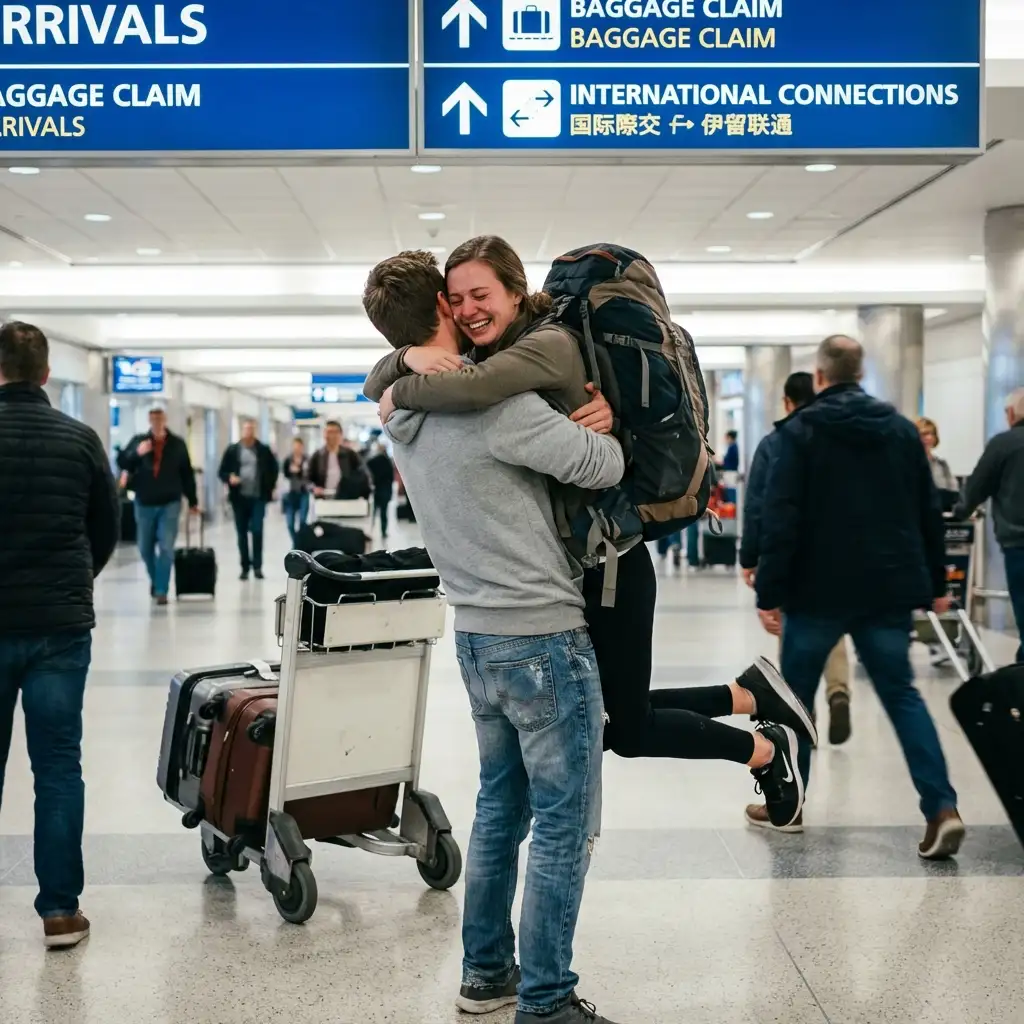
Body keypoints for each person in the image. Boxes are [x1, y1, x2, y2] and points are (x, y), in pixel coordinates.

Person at [366, 238, 813, 824]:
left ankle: (765, 749)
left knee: (623, 727)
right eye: (458, 298)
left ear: (517, 291)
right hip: (578, 562)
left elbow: (468, 391)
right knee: (608, 713)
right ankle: (750, 698)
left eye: (482, 294)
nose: (471, 309)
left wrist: (397, 382)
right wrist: (402, 360)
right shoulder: (500, 347)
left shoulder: (546, 344)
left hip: (613, 563)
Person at [364, 249, 624, 1024]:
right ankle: (546, 1001)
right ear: (444, 315)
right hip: (542, 637)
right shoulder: (497, 409)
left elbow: (389, 376)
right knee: (562, 823)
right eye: (458, 300)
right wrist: (603, 415)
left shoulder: (402, 418)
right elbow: (603, 466)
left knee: (500, 810)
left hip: (475, 638)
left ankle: (486, 974)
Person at [754, 335, 964, 859]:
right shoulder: (899, 431)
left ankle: (791, 806)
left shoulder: (799, 432)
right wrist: (938, 584)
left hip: (816, 590)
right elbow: (926, 513)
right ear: (861, 372)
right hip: (886, 590)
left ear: (820, 377)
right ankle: (942, 809)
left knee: (794, 700)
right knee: (903, 696)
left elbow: (781, 518)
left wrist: (769, 591)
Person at [0, 321, 119, 949]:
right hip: (59, 628)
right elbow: (106, 527)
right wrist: (72, 582)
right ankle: (60, 911)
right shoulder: (79, 439)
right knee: (56, 766)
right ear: (46, 373)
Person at [742, 371, 853, 747]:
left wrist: (750, 557)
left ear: (787, 402)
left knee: (792, 632)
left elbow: (757, 504)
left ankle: (801, 711)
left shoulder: (776, 442)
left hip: (789, 553)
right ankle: (839, 691)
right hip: (836, 552)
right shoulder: (838, 439)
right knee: (833, 626)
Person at [955, 387, 1024, 662]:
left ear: (1010, 414)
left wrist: (961, 511)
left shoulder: (1005, 444)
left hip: (1019, 545)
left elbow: (976, 488)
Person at [118, 407, 199, 605]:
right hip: (144, 501)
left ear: (165, 420)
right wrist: (137, 453)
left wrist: (193, 501)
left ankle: (161, 589)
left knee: (166, 546)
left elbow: (187, 474)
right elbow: (122, 462)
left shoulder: (177, 444)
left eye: (160, 419)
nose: (156, 423)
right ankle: (157, 580)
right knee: (145, 548)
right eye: (153, 419)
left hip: (170, 502)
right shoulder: (139, 441)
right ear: (149, 420)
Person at [218, 419, 279, 580]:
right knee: (242, 533)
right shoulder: (233, 450)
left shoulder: (263, 450)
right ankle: (245, 566)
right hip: (239, 498)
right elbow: (222, 471)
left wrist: (270, 487)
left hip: (258, 497)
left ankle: (258, 566)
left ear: (255, 431)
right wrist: (230, 478)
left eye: (251, 429)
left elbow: (274, 469)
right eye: (245, 429)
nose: (248, 432)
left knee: (257, 530)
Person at [307, 420, 368, 499]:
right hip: (323, 500)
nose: (332, 436)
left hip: (346, 500)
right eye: (329, 432)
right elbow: (307, 479)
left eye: (335, 432)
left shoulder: (350, 455)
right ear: (324, 434)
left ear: (340, 435)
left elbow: (362, 475)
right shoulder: (317, 456)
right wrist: (313, 488)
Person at [917, 417, 958, 494]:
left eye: (932, 434)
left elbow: (953, 491)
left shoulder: (942, 465)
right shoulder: (909, 464)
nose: (929, 437)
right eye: (924, 434)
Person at [281, 436, 310, 546]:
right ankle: (296, 543)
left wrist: (300, 470)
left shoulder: (307, 460)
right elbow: (284, 476)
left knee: (303, 521)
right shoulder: (288, 460)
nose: (297, 449)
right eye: (295, 446)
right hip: (290, 494)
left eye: (299, 446)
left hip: (303, 493)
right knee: (290, 524)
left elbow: (310, 475)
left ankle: (300, 544)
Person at [365, 441, 395, 539]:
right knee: (383, 512)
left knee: (373, 512)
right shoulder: (387, 461)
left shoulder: (373, 460)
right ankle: (383, 532)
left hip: (375, 489)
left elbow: (366, 465)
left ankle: (369, 532)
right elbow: (391, 478)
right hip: (385, 490)